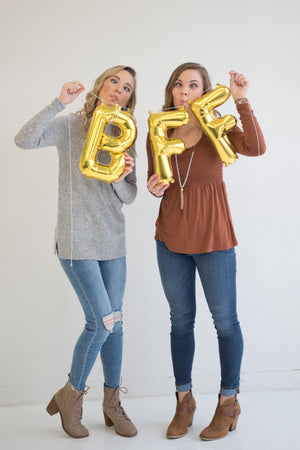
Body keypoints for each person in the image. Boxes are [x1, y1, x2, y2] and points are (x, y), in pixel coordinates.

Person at [15, 66, 138, 439]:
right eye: (114, 81)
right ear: (101, 84)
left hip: (113, 241)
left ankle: (111, 402)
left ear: (130, 98)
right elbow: (24, 139)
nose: (119, 90)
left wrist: (119, 179)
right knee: (100, 321)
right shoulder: (70, 125)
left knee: (114, 324)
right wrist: (58, 102)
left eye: (127, 87)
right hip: (75, 241)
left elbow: (130, 196)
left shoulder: (125, 132)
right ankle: (71, 394)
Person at [147, 62, 266, 441]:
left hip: (214, 237)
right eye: (179, 85)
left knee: (225, 322)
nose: (185, 91)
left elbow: (257, 148)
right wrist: (153, 187)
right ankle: (184, 402)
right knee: (180, 321)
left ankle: (228, 402)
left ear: (205, 91)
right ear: (171, 91)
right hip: (171, 237)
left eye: (193, 85)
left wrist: (242, 101)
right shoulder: (158, 130)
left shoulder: (219, 124)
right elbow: (158, 178)